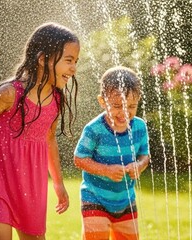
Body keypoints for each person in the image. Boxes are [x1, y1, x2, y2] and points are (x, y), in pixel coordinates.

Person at [0, 22, 80, 240]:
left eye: (76, 62)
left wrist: (58, 184)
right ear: (42, 59)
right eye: (68, 61)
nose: (73, 68)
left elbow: (49, 140)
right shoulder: (9, 93)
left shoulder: (56, 99)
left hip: (31, 188)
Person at [74, 66, 150, 240]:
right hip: (95, 198)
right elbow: (79, 159)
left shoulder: (139, 127)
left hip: (126, 199)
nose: (125, 112)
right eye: (117, 106)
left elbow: (145, 156)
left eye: (132, 106)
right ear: (102, 101)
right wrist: (106, 170)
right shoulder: (95, 129)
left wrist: (139, 165)